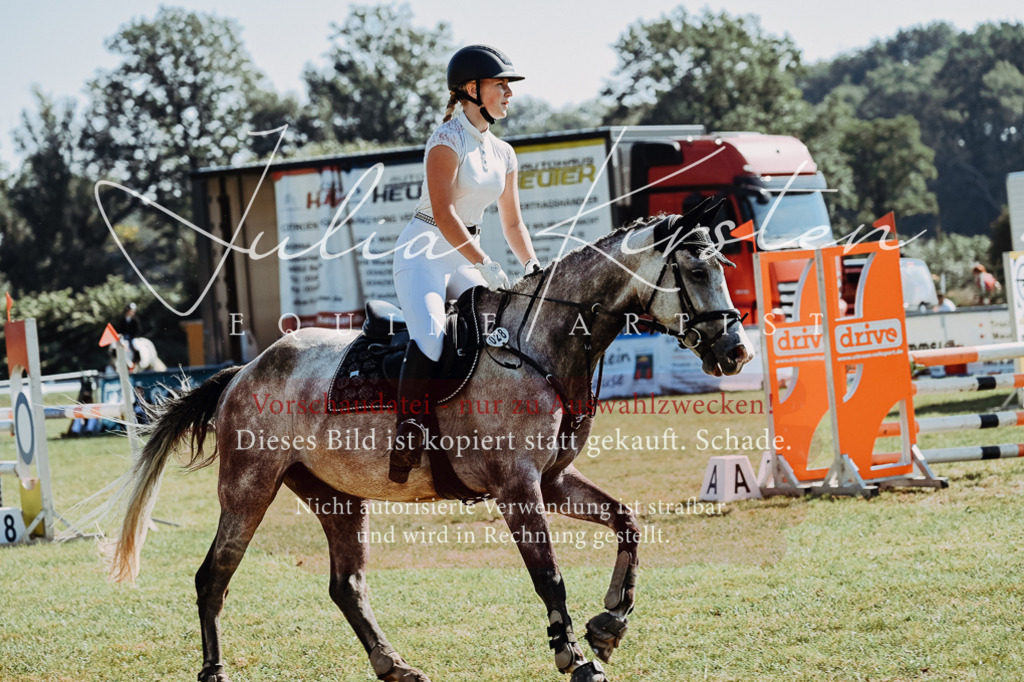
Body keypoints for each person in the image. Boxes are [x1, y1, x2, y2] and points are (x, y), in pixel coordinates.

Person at [388, 44, 540, 484]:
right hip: (423, 253)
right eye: (501, 85)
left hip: (463, 255)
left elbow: (512, 222)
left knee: (497, 334)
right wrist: (485, 262)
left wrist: (530, 264)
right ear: (472, 90)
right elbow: (443, 214)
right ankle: (409, 431)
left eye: (508, 86)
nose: (509, 93)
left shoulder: (504, 153)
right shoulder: (446, 141)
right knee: (433, 339)